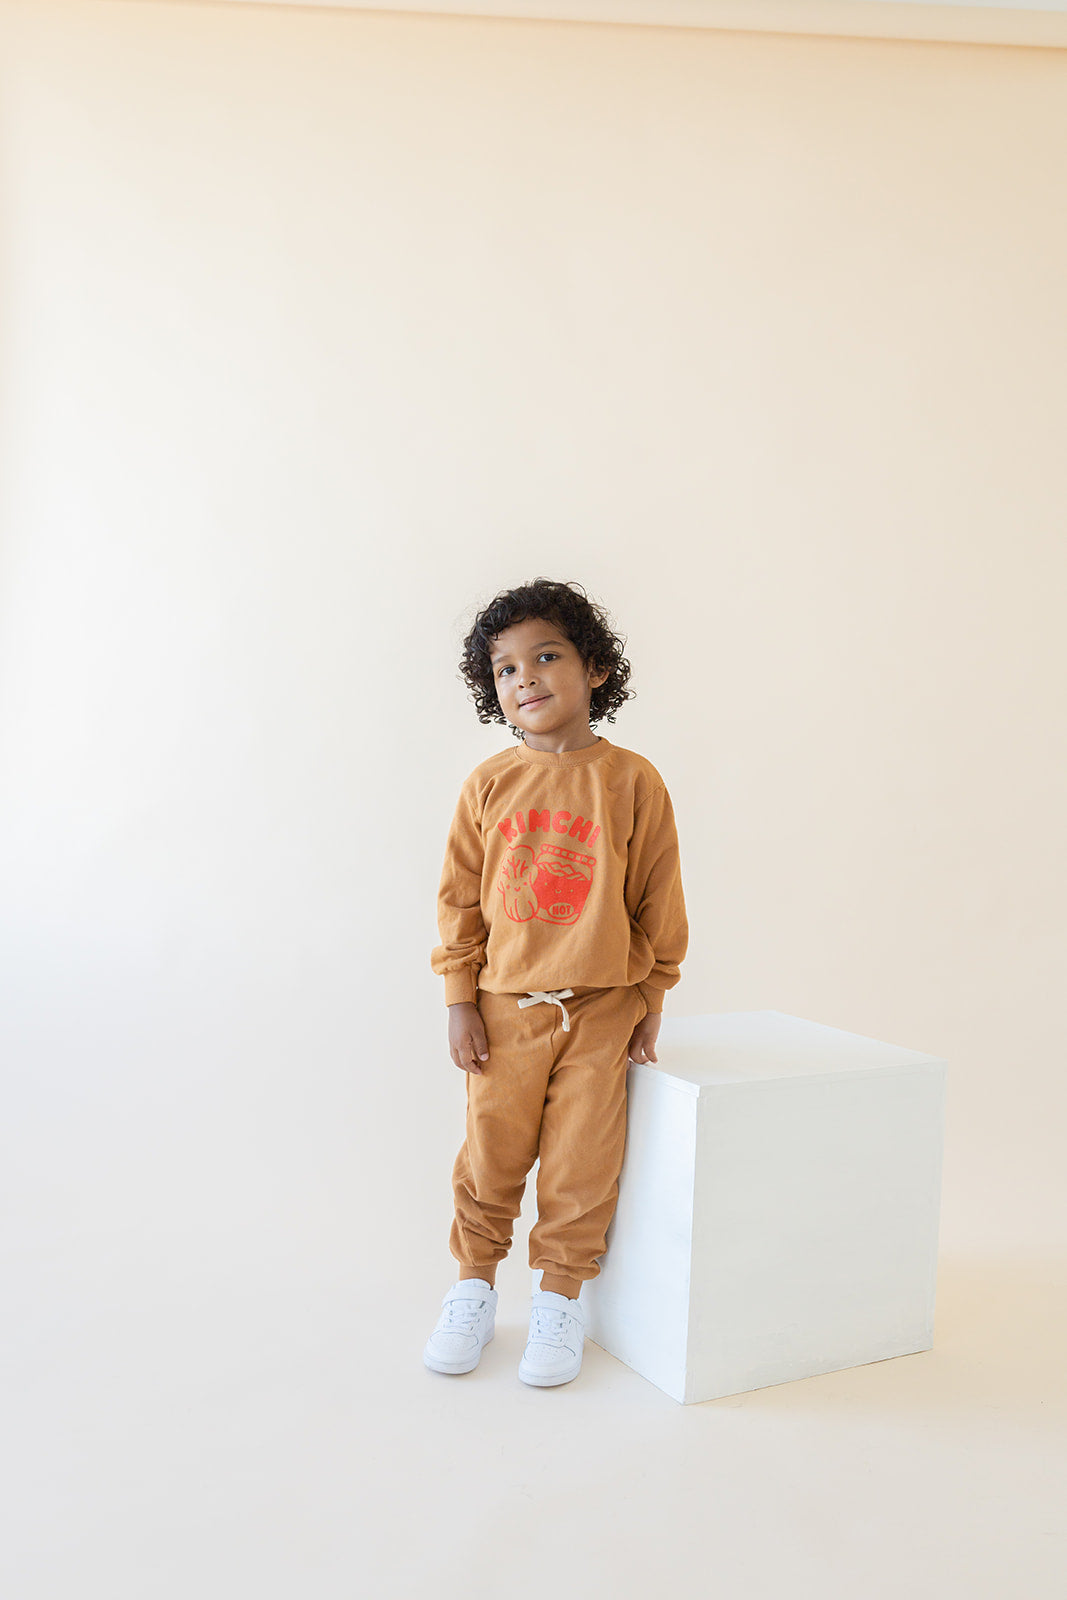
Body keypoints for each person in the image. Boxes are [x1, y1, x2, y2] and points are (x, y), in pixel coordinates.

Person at [424, 577, 688, 1387]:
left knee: (582, 1164)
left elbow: (657, 898)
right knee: (490, 1158)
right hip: (503, 1009)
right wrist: (460, 1001)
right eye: (505, 669)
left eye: (545, 657)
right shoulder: (488, 784)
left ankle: (559, 1302)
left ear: (594, 668)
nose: (525, 678)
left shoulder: (632, 781)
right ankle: (472, 1290)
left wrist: (650, 997)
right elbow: (459, 901)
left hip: (602, 1009)